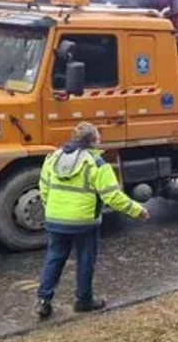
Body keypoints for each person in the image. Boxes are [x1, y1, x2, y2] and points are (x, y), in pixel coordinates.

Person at [35, 122, 149, 319]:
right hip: (84, 222)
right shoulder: (97, 164)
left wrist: (52, 210)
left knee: (54, 257)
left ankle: (43, 301)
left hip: (55, 219)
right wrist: (137, 211)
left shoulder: (53, 158)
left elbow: (44, 187)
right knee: (85, 260)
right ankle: (83, 300)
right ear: (94, 141)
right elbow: (112, 197)